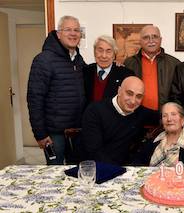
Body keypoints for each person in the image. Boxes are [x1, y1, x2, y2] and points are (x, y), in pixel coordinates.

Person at [27, 15, 86, 165]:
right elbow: (35, 98)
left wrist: (115, 63)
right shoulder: (43, 60)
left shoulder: (78, 60)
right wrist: (40, 134)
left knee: (76, 172)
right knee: (55, 174)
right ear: (58, 34)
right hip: (54, 134)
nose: (73, 33)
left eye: (76, 30)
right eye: (68, 29)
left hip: (76, 131)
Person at [79, 76, 159, 165]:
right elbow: (94, 152)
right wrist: (117, 170)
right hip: (94, 168)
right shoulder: (94, 111)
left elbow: (164, 116)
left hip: (125, 169)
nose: (133, 101)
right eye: (129, 93)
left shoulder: (140, 112)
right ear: (119, 91)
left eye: (138, 96)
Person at [133, 102, 184, 167]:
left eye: (173, 114)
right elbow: (137, 166)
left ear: (183, 120)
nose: (169, 119)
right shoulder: (153, 140)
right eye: (165, 116)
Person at [124, 25, 180, 111]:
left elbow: (179, 95)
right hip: (135, 116)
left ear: (160, 40)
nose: (151, 41)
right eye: (146, 37)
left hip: (164, 118)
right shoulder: (129, 63)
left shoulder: (174, 64)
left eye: (155, 37)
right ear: (140, 41)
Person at [83, 35, 135, 105]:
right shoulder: (85, 71)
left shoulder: (126, 75)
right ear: (94, 52)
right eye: (100, 50)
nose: (104, 56)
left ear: (114, 55)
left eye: (108, 51)